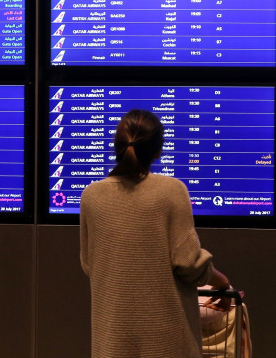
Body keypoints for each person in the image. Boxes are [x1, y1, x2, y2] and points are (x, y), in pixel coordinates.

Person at [80, 109, 231, 358]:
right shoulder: (172, 191)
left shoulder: (91, 196)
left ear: (117, 147)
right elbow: (189, 264)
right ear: (158, 151)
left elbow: (90, 264)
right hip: (166, 341)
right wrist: (222, 282)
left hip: (112, 341)